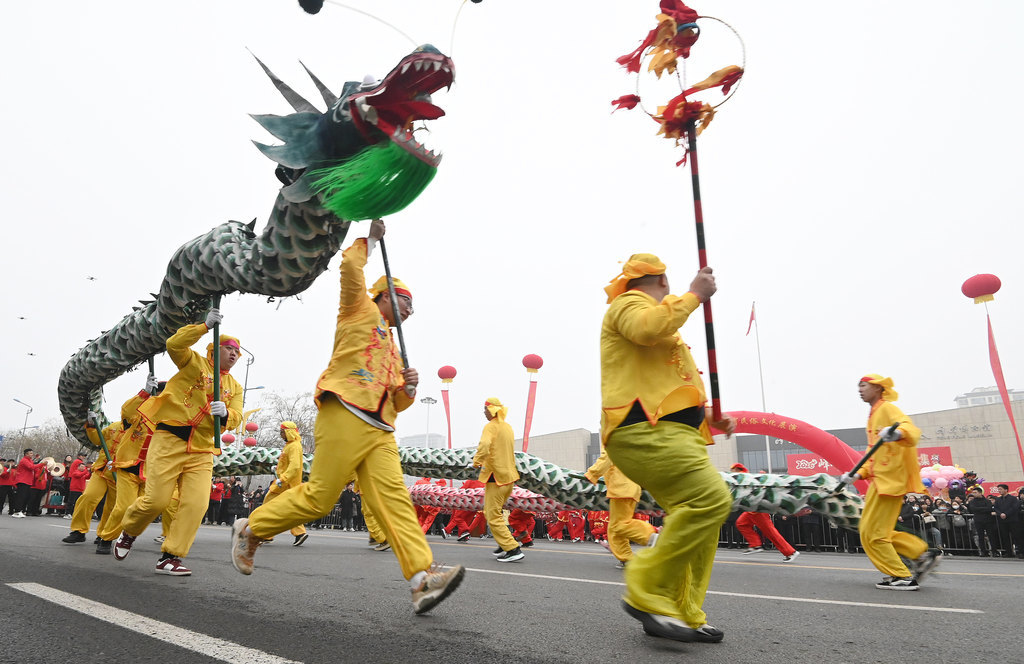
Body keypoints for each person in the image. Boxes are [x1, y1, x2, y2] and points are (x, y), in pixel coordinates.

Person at [231, 220, 464, 615]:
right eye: (405, 300)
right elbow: (350, 269)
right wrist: (371, 240)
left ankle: (421, 579)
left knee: (394, 502)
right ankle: (252, 527)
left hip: (380, 430)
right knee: (320, 498)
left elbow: (395, 402)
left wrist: (407, 390)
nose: (410, 309)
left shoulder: (394, 347)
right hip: (344, 411)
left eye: (413, 306)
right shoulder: (358, 309)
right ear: (384, 296)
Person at [599, 254, 734, 644]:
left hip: (672, 434)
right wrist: (695, 294)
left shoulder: (657, 311)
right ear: (661, 280)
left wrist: (708, 415)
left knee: (699, 521)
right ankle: (645, 588)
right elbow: (646, 329)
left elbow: (667, 385)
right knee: (710, 501)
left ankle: (684, 612)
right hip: (646, 431)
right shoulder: (630, 304)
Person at [113, 309, 243, 576]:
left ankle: (170, 556)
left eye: (237, 352)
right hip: (170, 439)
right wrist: (204, 326)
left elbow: (238, 416)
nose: (233, 354)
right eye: (229, 348)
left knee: (197, 504)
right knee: (156, 502)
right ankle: (129, 531)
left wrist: (227, 414)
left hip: (202, 448)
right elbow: (174, 344)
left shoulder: (235, 386)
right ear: (214, 349)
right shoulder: (193, 362)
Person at [840, 375, 940, 590]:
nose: (859, 390)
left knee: (875, 534)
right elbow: (872, 454)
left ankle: (902, 575)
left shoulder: (886, 408)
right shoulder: (873, 414)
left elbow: (910, 428)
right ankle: (920, 554)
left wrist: (899, 432)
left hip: (890, 481)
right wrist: (858, 474)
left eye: (863, 386)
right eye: (858, 386)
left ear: (877, 388)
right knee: (868, 531)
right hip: (880, 481)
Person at [585, 447, 657, 569]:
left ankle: (651, 537)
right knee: (614, 529)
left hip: (621, 489)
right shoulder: (633, 448)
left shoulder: (615, 440)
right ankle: (626, 558)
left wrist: (592, 474)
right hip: (630, 489)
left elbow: (606, 458)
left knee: (619, 525)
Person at [472, 398, 524, 563]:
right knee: (495, 513)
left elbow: (484, 444)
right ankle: (504, 544)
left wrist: (476, 462)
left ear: (491, 409)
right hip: (509, 477)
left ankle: (512, 548)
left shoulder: (490, 427)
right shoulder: (507, 427)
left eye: (484, 409)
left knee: (492, 515)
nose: (483, 412)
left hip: (496, 477)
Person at [730, 463, 800, 563]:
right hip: (752, 509)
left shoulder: (742, 477)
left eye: (732, 470)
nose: (731, 472)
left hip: (758, 510)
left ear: (737, 469)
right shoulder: (743, 477)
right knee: (741, 523)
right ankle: (755, 545)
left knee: (770, 532)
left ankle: (790, 552)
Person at [260, 422, 309, 546]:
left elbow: (295, 466)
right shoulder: (290, 446)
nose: (280, 434)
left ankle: (266, 534)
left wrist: (282, 479)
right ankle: (299, 533)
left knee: (268, 505)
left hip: (284, 484)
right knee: (289, 508)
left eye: (282, 432)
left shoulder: (293, 446)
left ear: (288, 432)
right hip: (285, 483)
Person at [992, 484, 1022, 558]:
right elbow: (996, 508)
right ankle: (1008, 552)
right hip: (1002, 521)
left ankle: (1020, 552)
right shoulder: (998, 499)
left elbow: (1014, 508)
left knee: (1016, 536)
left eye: (1001, 489)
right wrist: (1000, 514)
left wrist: (1006, 514)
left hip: (1012, 520)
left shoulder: (1013, 498)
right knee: (1005, 537)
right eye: (998, 489)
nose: (999, 491)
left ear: (1006, 490)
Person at [966, 486, 996, 557]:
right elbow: (973, 509)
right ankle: (983, 551)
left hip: (988, 520)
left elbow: (989, 509)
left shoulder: (987, 501)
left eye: (975, 492)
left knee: (991, 536)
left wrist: (980, 509)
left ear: (980, 493)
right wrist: (983, 509)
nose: (974, 494)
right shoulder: (972, 502)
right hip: (978, 520)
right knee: (980, 536)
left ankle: (994, 551)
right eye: (973, 493)